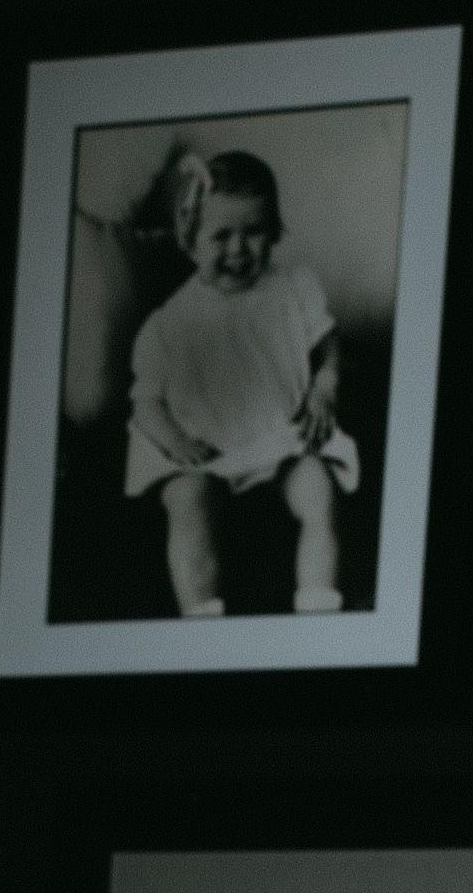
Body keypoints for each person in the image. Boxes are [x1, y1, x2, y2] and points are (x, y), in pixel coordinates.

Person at [123, 149, 354, 616]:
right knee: (187, 501)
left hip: (279, 438)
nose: (238, 249)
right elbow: (146, 402)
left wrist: (324, 386)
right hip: (203, 450)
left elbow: (328, 345)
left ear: (275, 231)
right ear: (191, 239)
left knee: (318, 488)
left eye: (254, 232)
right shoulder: (169, 323)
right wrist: (177, 442)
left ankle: (318, 611)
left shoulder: (294, 289)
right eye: (221, 236)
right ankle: (202, 617)